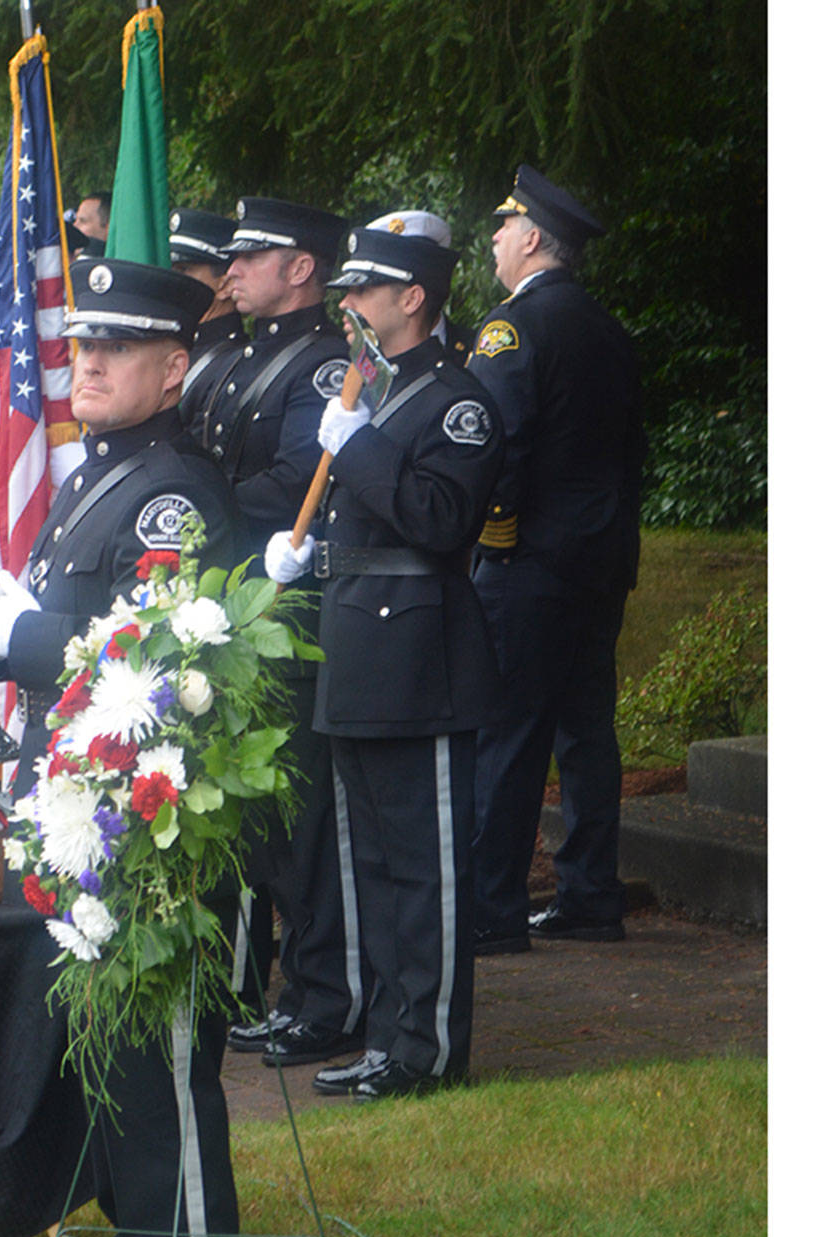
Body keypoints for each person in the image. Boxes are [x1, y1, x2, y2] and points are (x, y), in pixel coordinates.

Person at [0, 257, 242, 1237]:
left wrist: (21, 641)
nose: (87, 364)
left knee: (159, 1063)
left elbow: (153, 659)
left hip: (148, 817)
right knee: (108, 1044)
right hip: (79, 803)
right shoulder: (92, 476)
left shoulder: (175, 490)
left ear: (173, 368)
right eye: (81, 346)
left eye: (114, 349)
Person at [264, 217, 507, 1101]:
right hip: (358, 643)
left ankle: (430, 1047)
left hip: (420, 655)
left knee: (424, 865)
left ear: (414, 297)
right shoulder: (380, 389)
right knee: (374, 862)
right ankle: (388, 1033)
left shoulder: (459, 400)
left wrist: (354, 444)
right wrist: (309, 556)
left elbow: (441, 521)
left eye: (368, 289)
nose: (353, 304)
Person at [195, 197, 366, 1072]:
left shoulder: (323, 365)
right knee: (264, 819)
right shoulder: (239, 358)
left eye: (251, 256)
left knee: (302, 818)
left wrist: (198, 515)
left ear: (301, 267)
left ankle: (326, 994)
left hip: (288, 611)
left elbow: (300, 480)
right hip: (236, 609)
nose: (233, 269)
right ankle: (292, 984)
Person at [467, 166, 647, 947]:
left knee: (507, 736)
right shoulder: (608, 325)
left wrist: (489, 539)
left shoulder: (511, 329)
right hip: (601, 558)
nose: (496, 239)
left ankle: (493, 909)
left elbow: (496, 450)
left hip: (529, 560)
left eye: (505, 227)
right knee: (586, 731)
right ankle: (589, 893)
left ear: (534, 237)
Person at [167, 208, 243, 444]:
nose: (173, 281)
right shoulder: (179, 346)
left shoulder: (235, 362)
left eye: (185, 271)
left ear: (225, 285)